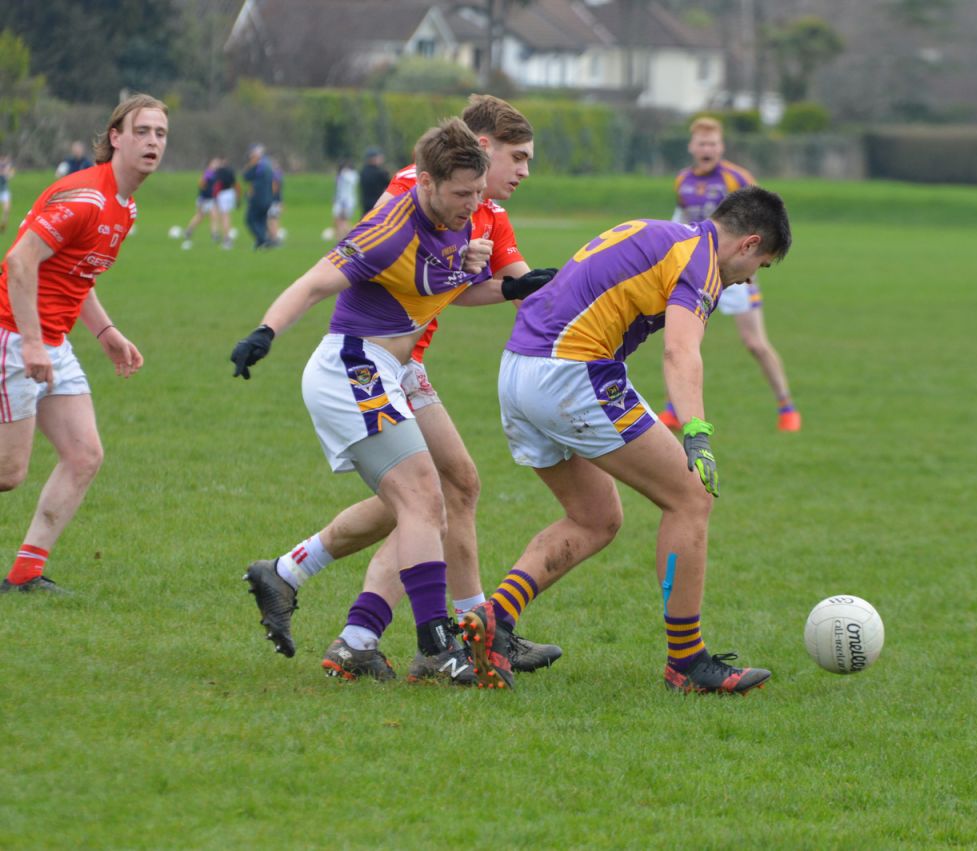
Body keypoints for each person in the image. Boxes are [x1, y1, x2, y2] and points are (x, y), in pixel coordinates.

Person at [238, 94, 560, 681]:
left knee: (449, 487)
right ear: (435, 180)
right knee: (423, 501)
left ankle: (302, 587)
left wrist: (514, 288)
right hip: (355, 366)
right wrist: (264, 332)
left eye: (478, 193)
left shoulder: (456, 217)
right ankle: (439, 644)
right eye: (464, 193)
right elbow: (315, 281)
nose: (475, 204)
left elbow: (452, 287)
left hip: (399, 367)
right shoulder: (395, 222)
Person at [459, 186, 791, 694]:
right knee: (690, 497)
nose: (750, 279)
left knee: (596, 518)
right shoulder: (701, 263)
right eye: (761, 266)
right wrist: (697, 435)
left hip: (517, 370)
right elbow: (682, 352)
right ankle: (687, 662)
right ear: (747, 244)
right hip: (570, 372)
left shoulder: (659, 232)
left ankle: (494, 620)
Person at [0, 94, 168, 593]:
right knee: (8, 472)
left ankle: (26, 573)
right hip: (12, 334)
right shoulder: (86, 198)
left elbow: (78, 273)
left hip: (51, 341)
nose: (152, 142)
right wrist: (31, 344)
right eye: (142, 131)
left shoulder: (125, 206)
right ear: (115, 137)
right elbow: (20, 262)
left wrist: (106, 332)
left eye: (160, 134)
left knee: (84, 455)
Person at [657, 116, 801, 432]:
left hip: (735, 271)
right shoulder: (683, 181)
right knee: (681, 339)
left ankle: (787, 407)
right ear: (692, 147)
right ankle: (671, 409)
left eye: (713, 143)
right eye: (702, 143)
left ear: (721, 146)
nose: (707, 149)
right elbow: (681, 218)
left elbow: (766, 216)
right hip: (696, 271)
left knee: (755, 343)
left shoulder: (737, 178)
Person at [180, 157, 221, 250]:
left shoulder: (216, 174)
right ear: (210, 164)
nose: (216, 165)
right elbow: (201, 185)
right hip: (204, 199)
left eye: (217, 164)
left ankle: (214, 235)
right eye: (214, 163)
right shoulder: (208, 173)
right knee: (199, 217)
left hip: (211, 199)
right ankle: (188, 231)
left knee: (214, 217)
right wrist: (203, 197)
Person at [242, 144, 276, 250]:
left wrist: (250, 164)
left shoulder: (258, 166)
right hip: (268, 199)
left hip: (258, 199)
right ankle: (262, 242)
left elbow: (246, 177)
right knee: (261, 221)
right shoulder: (268, 165)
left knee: (250, 220)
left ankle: (263, 240)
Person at [212, 157, 238, 249]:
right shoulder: (231, 170)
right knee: (227, 215)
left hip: (223, 194)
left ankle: (227, 238)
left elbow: (216, 183)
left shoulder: (219, 171)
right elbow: (235, 183)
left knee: (224, 216)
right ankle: (226, 237)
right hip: (230, 193)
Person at [330, 160, 358, 239]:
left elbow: (343, 190)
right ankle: (342, 238)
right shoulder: (353, 175)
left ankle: (350, 237)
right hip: (348, 201)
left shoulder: (344, 176)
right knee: (340, 221)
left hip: (344, 202)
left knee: (341, 221)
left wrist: (342, 204)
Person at [358, 147, 390, 216]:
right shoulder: (379, 173)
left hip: (365, 203)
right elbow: (389, 185)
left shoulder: (363, 171)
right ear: (373, 159)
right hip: (377, 202)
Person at [266, 163, 284, 244]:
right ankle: (271, 237)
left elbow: (276, 192)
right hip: (274, 202)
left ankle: (274, 238)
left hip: (273, 202)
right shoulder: (275, 177)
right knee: (271, 219)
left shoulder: (274, 180)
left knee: (273, 219)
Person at [0, 155, 13, 233]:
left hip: (4, 191)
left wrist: (8, 171)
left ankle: (3, 224)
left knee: (6, 209)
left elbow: (8, 176)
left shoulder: (6, 168)